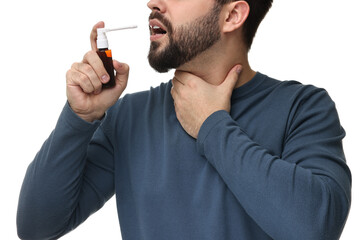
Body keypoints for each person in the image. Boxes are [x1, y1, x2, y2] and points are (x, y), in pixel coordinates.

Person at [17, 0, 351, 239]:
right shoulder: (129, 116)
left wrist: (211, 124)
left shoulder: (304, 108)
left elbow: (315, 228)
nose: (153, 4)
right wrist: (80, 117)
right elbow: (36, 226)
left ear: (232, 15)